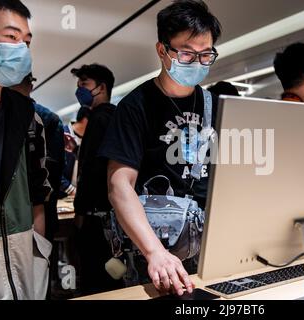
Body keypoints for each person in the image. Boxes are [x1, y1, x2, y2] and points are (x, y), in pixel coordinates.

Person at [99, 0, 222, 296]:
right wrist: (154, 252)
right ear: (162, 50)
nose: (197, 62)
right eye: (186, 53)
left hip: (206, 244)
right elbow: (119, 185)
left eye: (206, 54)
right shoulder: (135, 106)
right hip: (153, 247)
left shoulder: (213, 105)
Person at [0, 0, 51, 300]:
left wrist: (37, 253)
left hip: (22, 259)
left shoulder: (28, 116)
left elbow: (37, 195)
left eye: (26, 42)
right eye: (11, 37)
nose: (21, 49)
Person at [71, 64, 122, 295]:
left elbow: (90, 172)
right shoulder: (113, 117)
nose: (79, 89)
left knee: (94, 281)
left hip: (95, 217)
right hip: (108, 216)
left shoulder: (100, 120)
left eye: (84, 84)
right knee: (109, 277)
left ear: (101, 88)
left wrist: (80, 213)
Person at [11, 73, 65, 242]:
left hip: (31, 209)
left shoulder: (43, 119)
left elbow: (51, 172)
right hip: (37, 208)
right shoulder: (46, 117)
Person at [59, 106, 91, 199]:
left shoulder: (91, 139)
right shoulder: (61, 134)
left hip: (81, 197)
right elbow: (53, 169)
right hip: (61, 196)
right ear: (86, 120)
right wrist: (71, 190)